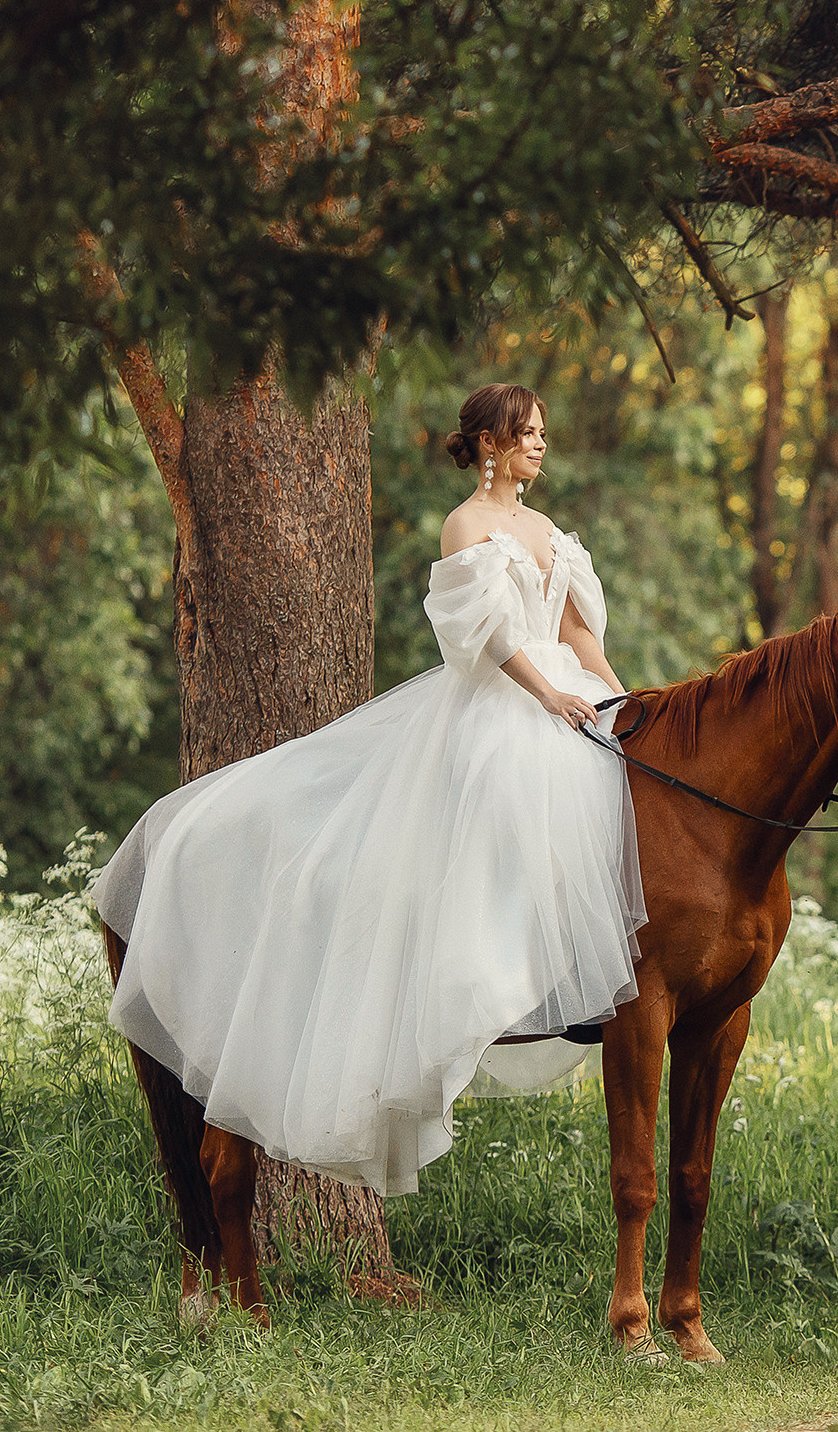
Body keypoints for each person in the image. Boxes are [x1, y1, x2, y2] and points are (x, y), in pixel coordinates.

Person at [92, 384, 646, 1195]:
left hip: (565, 690)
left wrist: (624, 699)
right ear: (488, 443)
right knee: (505, 787)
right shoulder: (470, 524)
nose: (539, 444)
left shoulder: (547, 531)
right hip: (501, 696)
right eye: (526, 432)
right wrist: (545, 696)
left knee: (611, 787)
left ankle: (575, 975)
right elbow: (486, 634)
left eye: (542, 432)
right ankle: (476, 969)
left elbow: (577, 633)